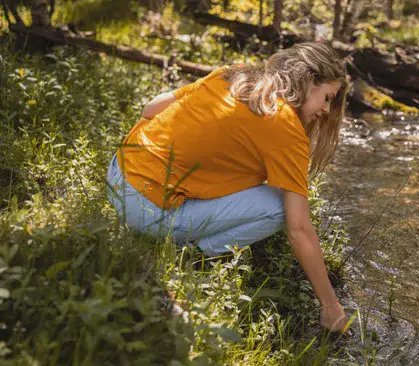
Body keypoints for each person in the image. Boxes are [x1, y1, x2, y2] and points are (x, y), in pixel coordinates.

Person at [105, 42, 349, 332]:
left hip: (118, 175)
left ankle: (181, 235)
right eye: (327, 98)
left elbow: (151, 108)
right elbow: (299, 230)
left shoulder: (234, 74)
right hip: (144, 210)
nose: (326, 109)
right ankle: (194, 257)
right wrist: (330, 306)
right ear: (309, 79)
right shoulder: (285, 126)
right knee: (279, 207)